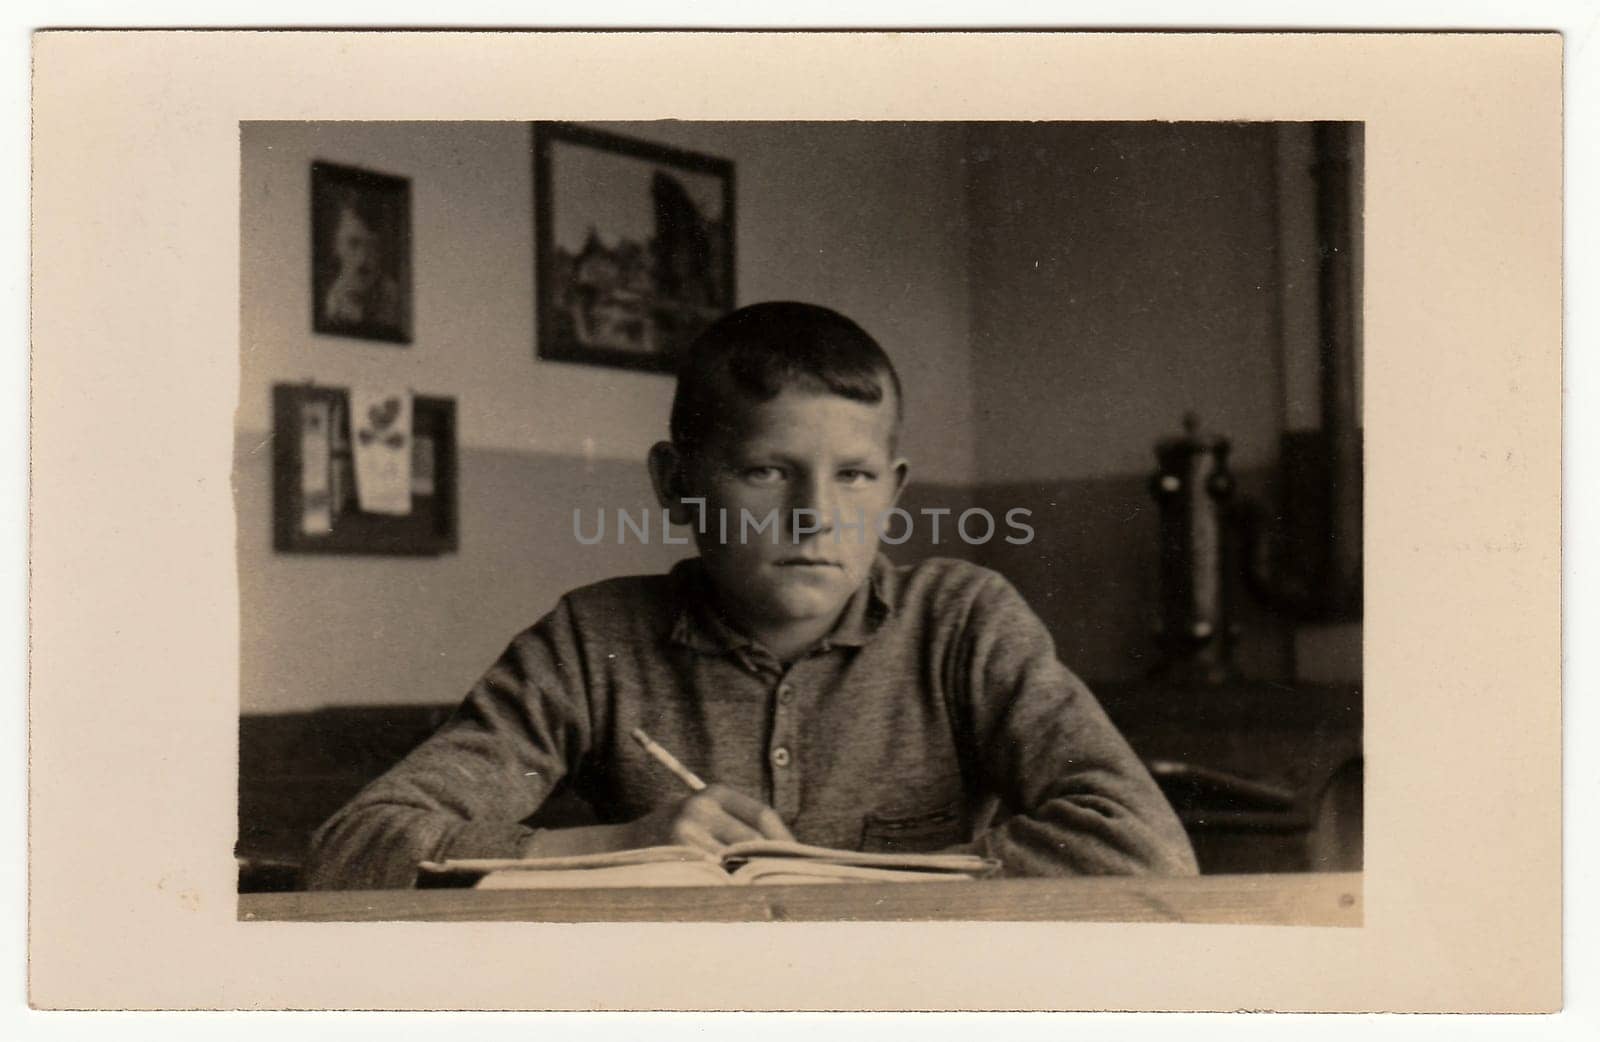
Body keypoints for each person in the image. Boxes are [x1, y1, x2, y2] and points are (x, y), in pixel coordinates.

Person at [303, 302, 1197, 890]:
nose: (816, 516)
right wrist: (617, 846)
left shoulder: (963, 622)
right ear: (674, 483)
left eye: (852, 476)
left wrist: (878, 885)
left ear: (893, 489)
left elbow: (1142, 847)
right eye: (766, 471)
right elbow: (353, 851)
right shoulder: (593, 639)